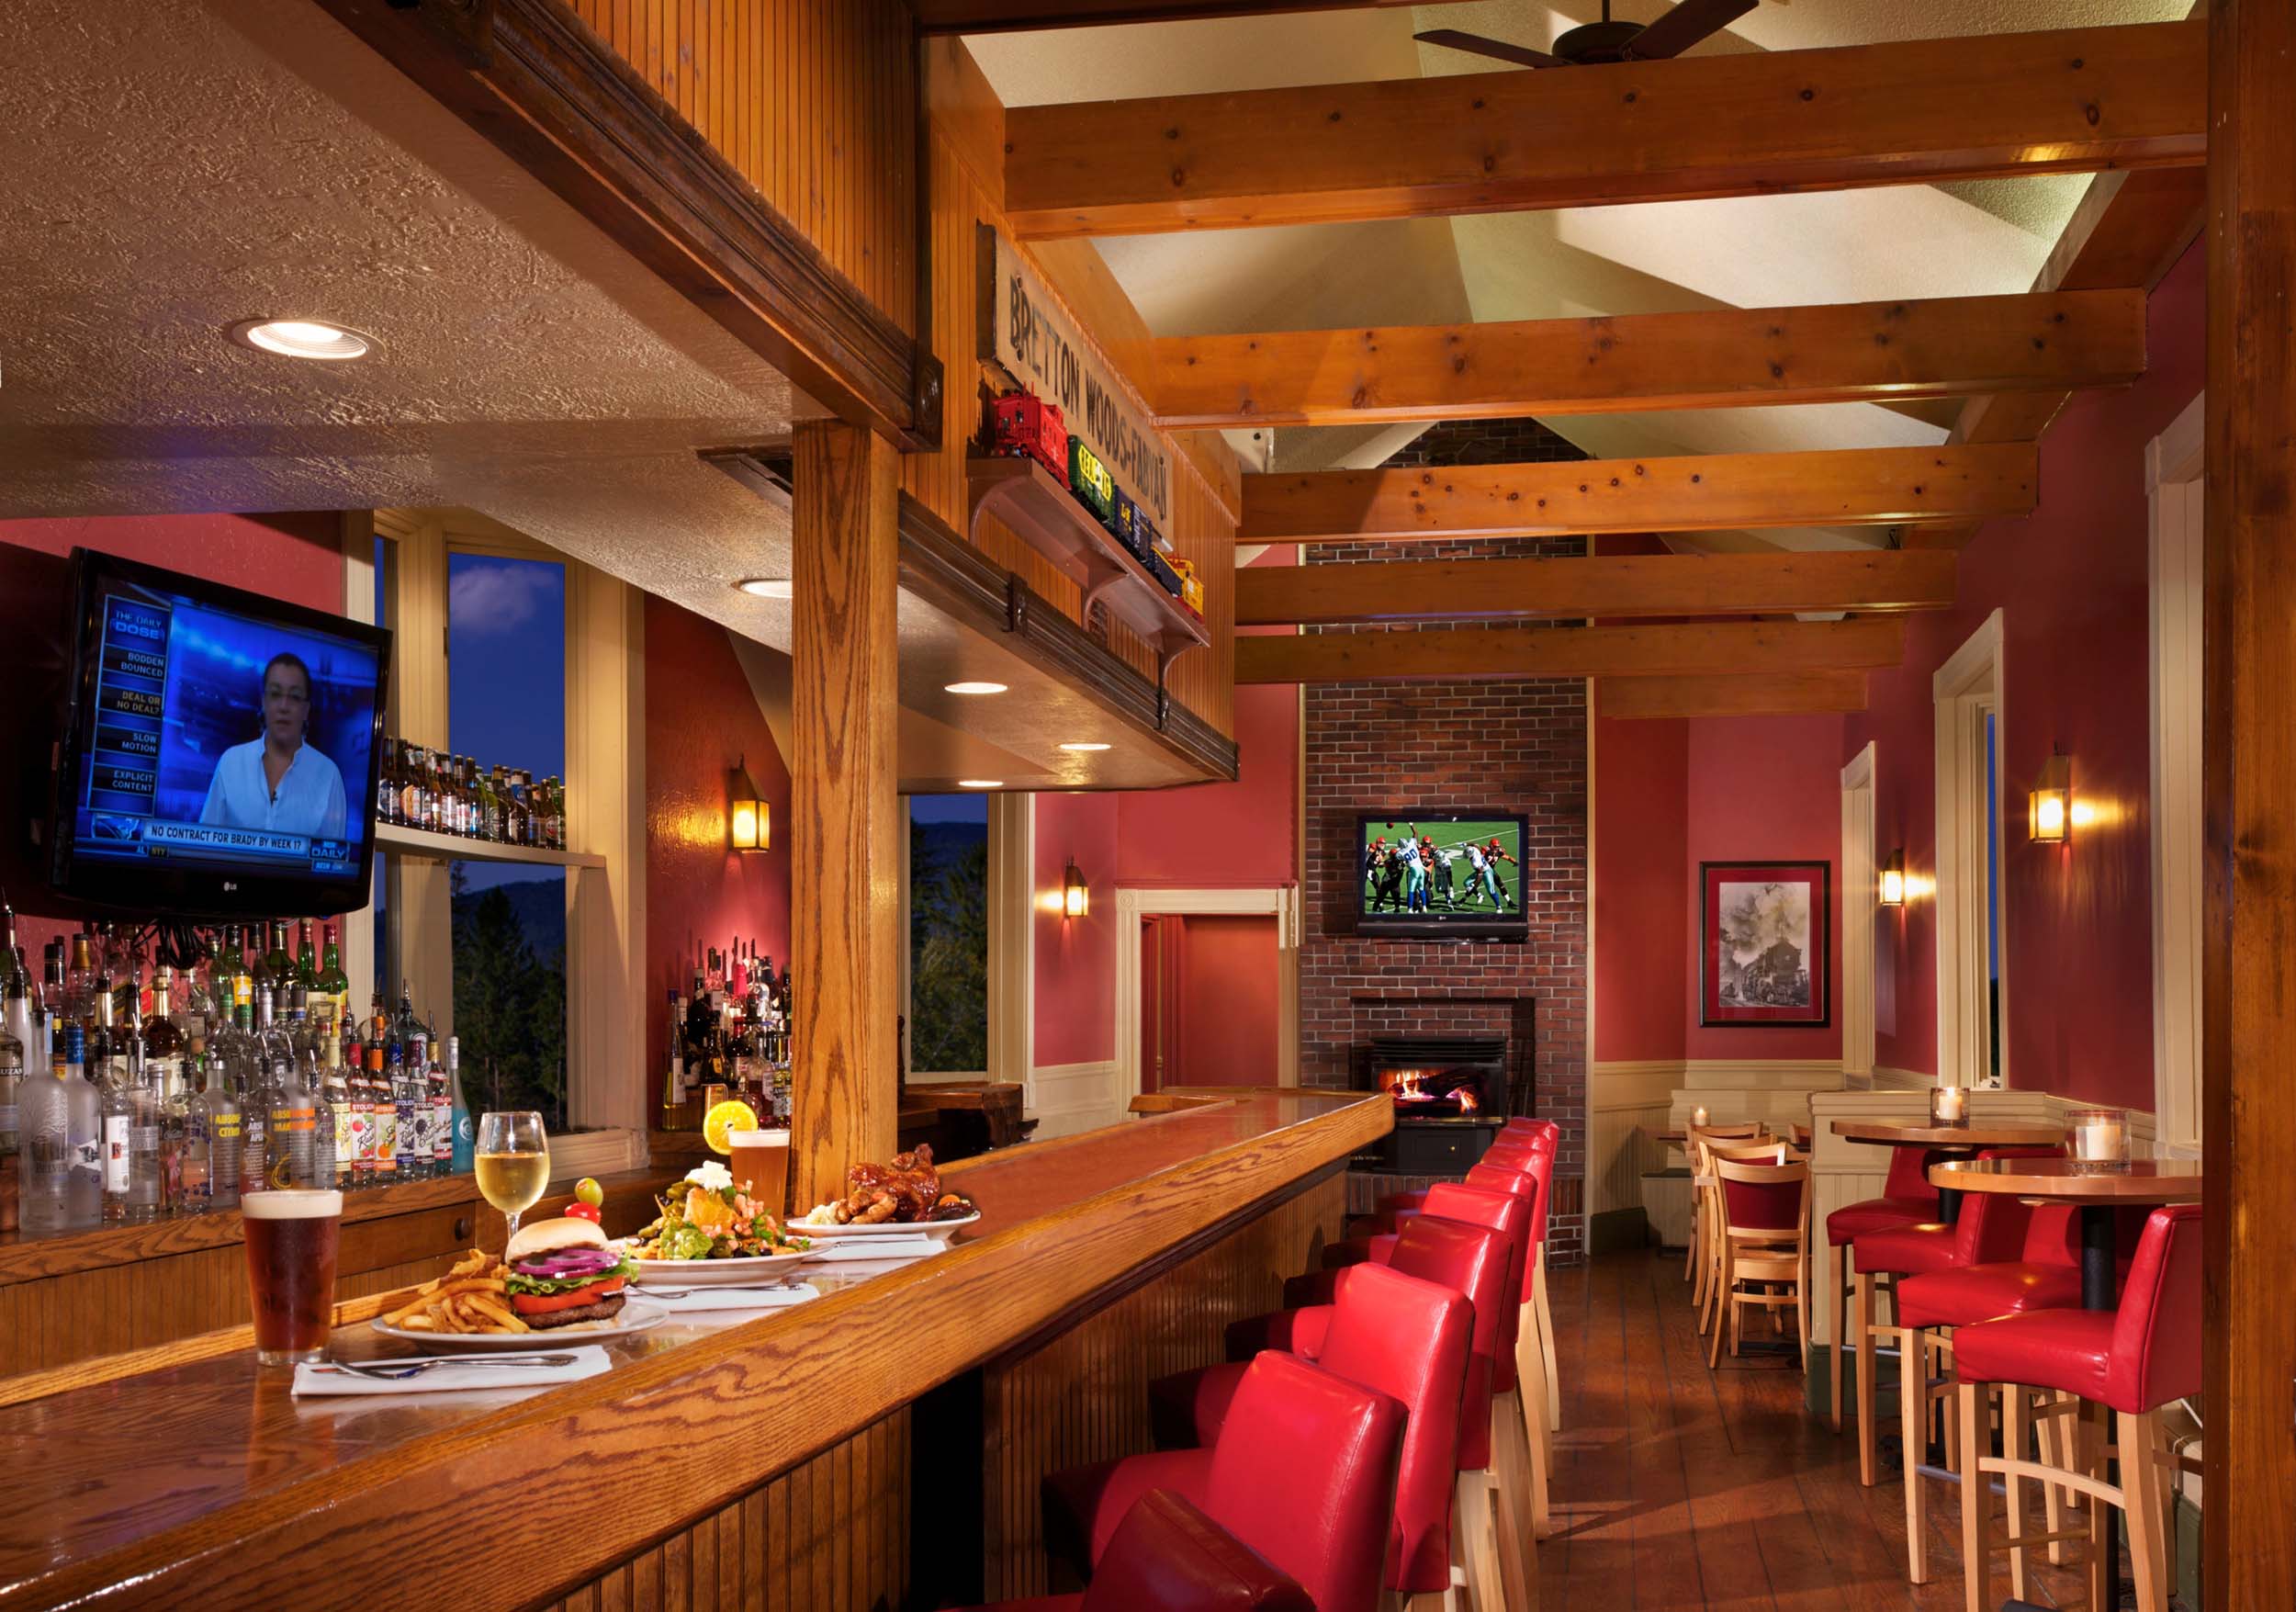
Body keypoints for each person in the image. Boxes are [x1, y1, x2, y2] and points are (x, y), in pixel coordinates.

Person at [198, 650, 348, 839]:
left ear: (306, 709)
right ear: (263, 702)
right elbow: (204, 843)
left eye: (294, 696)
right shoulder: (231, 762)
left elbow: (334, 861)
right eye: (275, 694)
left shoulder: (329, 775)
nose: (283, 706)